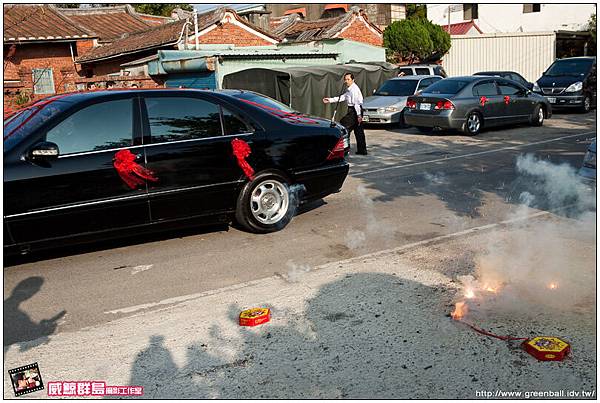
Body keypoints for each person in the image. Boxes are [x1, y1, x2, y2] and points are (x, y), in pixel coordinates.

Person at [323, 73, 367, 155]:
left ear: (353, 80)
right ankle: (362, 150)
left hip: (354, 111)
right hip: (354, 111)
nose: (346, 81)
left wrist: (358, 116)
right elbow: (343, 97)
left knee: (343, 127)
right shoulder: (349, 89)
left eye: (348, 79)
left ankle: (344, 149)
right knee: (358, 131)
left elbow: (356, 103)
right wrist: (330, 100)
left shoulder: (354, 90)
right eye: (345, 79)